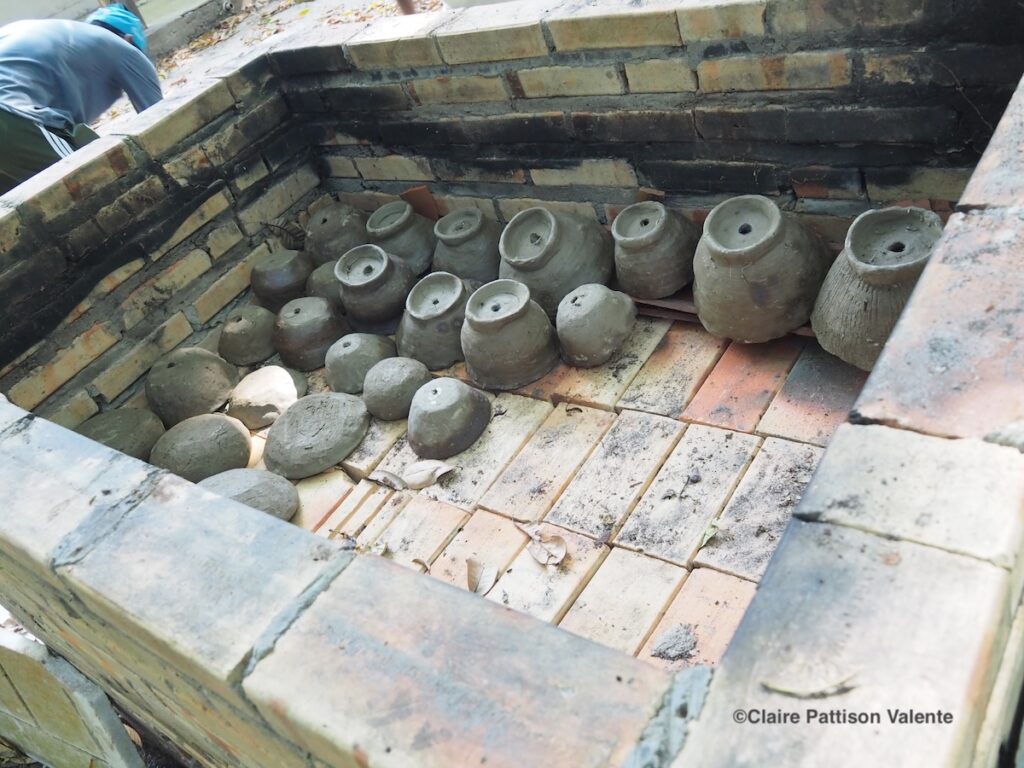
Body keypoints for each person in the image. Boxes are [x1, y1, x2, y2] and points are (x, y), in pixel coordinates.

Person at [0, 4, 162, 195]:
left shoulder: (62, 38)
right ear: (128, 39)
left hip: (11, 118)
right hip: (10, 117)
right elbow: (160, 124)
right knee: (103, 185)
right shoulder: (123, 49)